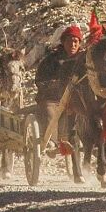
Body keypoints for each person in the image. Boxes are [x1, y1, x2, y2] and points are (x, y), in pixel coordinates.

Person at [35, 24, 86, 182]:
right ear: (63, 42)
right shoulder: (51, 59)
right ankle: (52, 142)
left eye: (76, 41)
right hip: (52, 99)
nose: (73, 45)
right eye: (70, 41)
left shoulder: (83, 59)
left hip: (75, 100)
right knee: (51, 115)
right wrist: (54, 85)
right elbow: (39, 80)